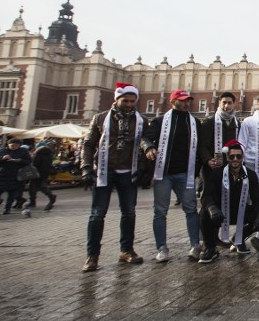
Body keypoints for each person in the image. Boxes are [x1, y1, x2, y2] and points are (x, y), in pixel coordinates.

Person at [79, 83, 148, 271]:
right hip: (104, 170)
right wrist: (85, 167)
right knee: (97, 214)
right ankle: (92, 256)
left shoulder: (141, 120)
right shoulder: (100, 118)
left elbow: (144, 143)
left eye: (132, 101)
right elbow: (88, 144)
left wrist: (142, 169)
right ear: (116, 100)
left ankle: (126, 250)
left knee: (129, 213)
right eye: (125, 101)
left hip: (128, 171)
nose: (129, 104)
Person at [141, 89, 202, 263]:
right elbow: (146, 138)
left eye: (188, 100)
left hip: (185, 173)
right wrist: (148, 147)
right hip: (164, 173)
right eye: (182, 100)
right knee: (160, 211)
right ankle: (162, 248)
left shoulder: (195, 122)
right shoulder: (160, 121)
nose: (186, 103)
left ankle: (195, 245)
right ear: (173, 101)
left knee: (191, 209)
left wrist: (197, 169)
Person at [198, 140, 259, 263]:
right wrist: (212, 208)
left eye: (238, 156)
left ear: (242, 157)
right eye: (232, 156)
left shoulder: (250, 175)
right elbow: (207, 196)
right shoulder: (216, 174)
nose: (235, 159)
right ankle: (210, 248)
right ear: (227, 158)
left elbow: (257, 198)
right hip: (220, 212)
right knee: (204, 214)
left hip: (239, 211)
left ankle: (239, 239)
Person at [198, 91, 240, 191]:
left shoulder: (237, 123)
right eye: (224, 102)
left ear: (234, 104)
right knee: (210, 193)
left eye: (229, 103)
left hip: (231, 165)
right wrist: (208, 160)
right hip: (213, 165)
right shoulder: (210, 121)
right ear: (219, 103)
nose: (226, 106)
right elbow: (202, 145)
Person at [0, 138, 31, 220]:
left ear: (19, 145)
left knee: (12, 193)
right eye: (12, 145)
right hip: (2, 175)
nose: (14, 147)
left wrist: (19, 161)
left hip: (16, 175)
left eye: (16, 145)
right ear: (8, 144)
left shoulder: (23, 152)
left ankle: (7, 209)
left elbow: (28, 161)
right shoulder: (2, 151)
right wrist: (2, 158)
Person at [28, 141, 57, 211]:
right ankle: (51, 196)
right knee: (40, 186)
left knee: (33, 187)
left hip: (36, 173)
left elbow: (35, 164)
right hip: (44, 173)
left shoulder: (38, 154)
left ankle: (33, 202)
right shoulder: (49, 154)